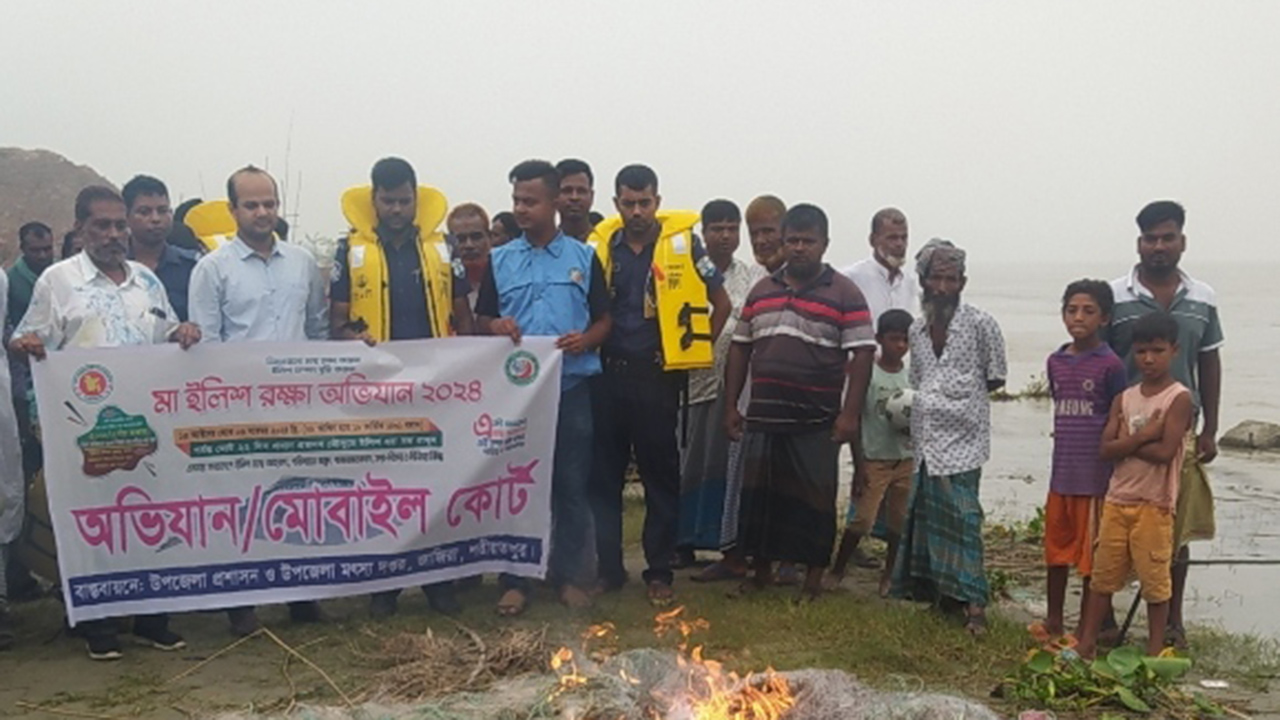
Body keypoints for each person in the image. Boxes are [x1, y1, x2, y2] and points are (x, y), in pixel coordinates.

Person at [11, 186, 200, 659]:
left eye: (119, 225)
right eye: (102, 225)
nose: (114, 234)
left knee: (150, 520)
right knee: (91, 525)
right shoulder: (57, 281)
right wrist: (32, 346)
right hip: (82, 429)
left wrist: (184, 332)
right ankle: (97, 624)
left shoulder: (146, 282)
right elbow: (24, 337)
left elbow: (167, 332)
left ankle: (152, 620)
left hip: (145, 430)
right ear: (80, 228)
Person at [329, 157, 473, 618]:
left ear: (416, 198)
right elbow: (336, 322)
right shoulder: (346, 252)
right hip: (379, 385)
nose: (396, 209)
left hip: (436, 384)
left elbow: (462, 313)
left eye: (404, 200)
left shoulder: (442, 248)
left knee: (437, 481)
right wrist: (354, 337)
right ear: (373, 201)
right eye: (387, 201)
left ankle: (438, 580)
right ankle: (384, 586)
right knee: (384, 485)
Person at [188, 166, 328, 636]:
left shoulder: (303, 262)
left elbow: (317, 328)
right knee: (243, 504)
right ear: (232, 211)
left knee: (298, 496)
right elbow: (205, 345)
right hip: (239, 409)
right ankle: (241, 602)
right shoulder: (212, 268)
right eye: (251, 205)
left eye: (269, 203)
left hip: (298, 405)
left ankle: (301, 597)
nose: (263, 212)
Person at [588, 164, 731, 606]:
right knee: (604, 479)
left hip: (657, 378)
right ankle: (609, 571)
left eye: (644, 202)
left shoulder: (686, 245)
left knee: (660, 478)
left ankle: (659, 571)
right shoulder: (600, 248)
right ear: (615, 204)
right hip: (607, 375)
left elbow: (720, 302)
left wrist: (692, 351)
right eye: (628, 203)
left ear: (657, 202)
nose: (636, 211)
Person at [476, 160, 612, 614]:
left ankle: (570, 576)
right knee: (518, 487)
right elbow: (481, 319)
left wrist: (585, 341)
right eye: (516, 200)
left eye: (530, 201)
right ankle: (515, 579)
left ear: (555, 202)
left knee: (571, 487)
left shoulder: (584, 257)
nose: (521, 209)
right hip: (516, 398)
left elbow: (604, 320)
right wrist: (496, 324)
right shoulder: (500, 260)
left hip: (571, 390)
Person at [724, 203, 876, 601]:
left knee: (814, 503)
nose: (799, 248)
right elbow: (739, 349)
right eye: (792, 240)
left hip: (816, 419)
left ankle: (812, 581)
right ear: (783, 241)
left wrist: (850, 415)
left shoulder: (845, 293)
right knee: (760, 499)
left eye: (808, 241)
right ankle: (759, 574)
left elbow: (862, 355)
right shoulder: (762, 291)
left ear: (824, 244)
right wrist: (730, 407)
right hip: (764, 415)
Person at [1104, 200, 1222, 649]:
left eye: (1167, 237)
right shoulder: (1115, 296)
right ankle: (1106, 619)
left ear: (1182, 242)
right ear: (1139, 243)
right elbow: (1100, 357)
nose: (1159, 246)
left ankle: (1173, 620)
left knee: (1174, 524)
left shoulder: (1203, 298)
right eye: (1150, 238)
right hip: (1124, 430)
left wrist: (1211, 426)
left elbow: (1210, 361)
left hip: (1179, 432)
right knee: (1113, 520)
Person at [891, 238, 1006, 636]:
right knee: (929, 520)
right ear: (922, 281)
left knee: (965, 519)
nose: (942, 287)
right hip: (927, 442)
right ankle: (942, 596)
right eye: (935, 278)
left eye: (951, 279)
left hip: (965, 441)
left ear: (963, 281)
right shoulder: (916, 329)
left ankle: (975, 604)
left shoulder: (981, 324)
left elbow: (995, 376)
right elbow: (917, 380)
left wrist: (957, 403)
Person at [1078, 312, 1193, 659]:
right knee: (1103, 577)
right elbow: (1104, 450)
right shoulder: (1125, 398)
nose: (1148, 359)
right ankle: (1086, 643)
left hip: (1155, 503)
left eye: (1157, 351)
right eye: (1141, 351)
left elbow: (1165, 452)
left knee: (1155, 582)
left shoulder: (1178, 398)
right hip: (1118, 499)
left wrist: (1128, 443)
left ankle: (1154, 649)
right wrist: (1145, 435)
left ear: (1174, 350)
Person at [1032, 280, 1127, 641]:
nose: (1078, 317)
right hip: (1062, 476)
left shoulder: (1110, 365)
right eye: (1072, 310)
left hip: (1094, 479)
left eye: (1088, 311)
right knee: (1055, 553)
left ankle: (1086, 629)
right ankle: (1053, 620)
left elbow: (1117, 416)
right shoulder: (1056, 361)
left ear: (1104, 317)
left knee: (1090, 563)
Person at [678, 199, 766, 580]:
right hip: (695, 382)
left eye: (732, 228)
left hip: (737, 386)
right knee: (690, 460)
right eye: (717, 228)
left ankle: (724, 540)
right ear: (704, 233)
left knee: (729, 464)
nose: (725, 235)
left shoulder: (753, 277)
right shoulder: (690, 274)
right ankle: (684, 539)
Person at [828, 308, 915, 597]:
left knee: (898, 522)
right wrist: (859, 464)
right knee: (862, 520)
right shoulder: (869, 373)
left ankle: (889, 574)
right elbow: (857, 419)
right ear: (879, 339)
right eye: (894, 339)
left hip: (905, 458)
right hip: (874, 459)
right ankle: (838, 569)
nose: (900, 346)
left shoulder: (911, 375)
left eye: (905, 340)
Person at [123, 175, 200, 322]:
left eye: (163, 210)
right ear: (126, 216)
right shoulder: (113, 268)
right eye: (144, 212)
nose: (156, 219)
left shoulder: (192, 267)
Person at [840, 208, 918, 323]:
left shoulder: (910, 284)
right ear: (873, 240)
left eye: (904, 238)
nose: (900, 244)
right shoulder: (851, 279)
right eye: (892, 238)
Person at [447, 203, 492, 314]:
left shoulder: (505, 280)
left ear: (490, 238)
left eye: (476, 237)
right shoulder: (444, 287)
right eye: (461, 239)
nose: (469, 245)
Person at [8, 222, 55, 328]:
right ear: (22, 248)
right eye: (35, 250)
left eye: (47, 249)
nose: (42, 256)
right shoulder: (9, 280)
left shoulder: (64, 274)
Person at [555, 158, 596, 241]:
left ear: (591, 196)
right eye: (567, 191)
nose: (574, 197)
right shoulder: (542, 246)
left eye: (581, 191)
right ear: (554, 196)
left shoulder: (610, 244)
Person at [745, 195, 786, 273]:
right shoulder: (749, 277)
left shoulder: (803, 276)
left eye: (768, 232)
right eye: (754, 234)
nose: (760, 240)